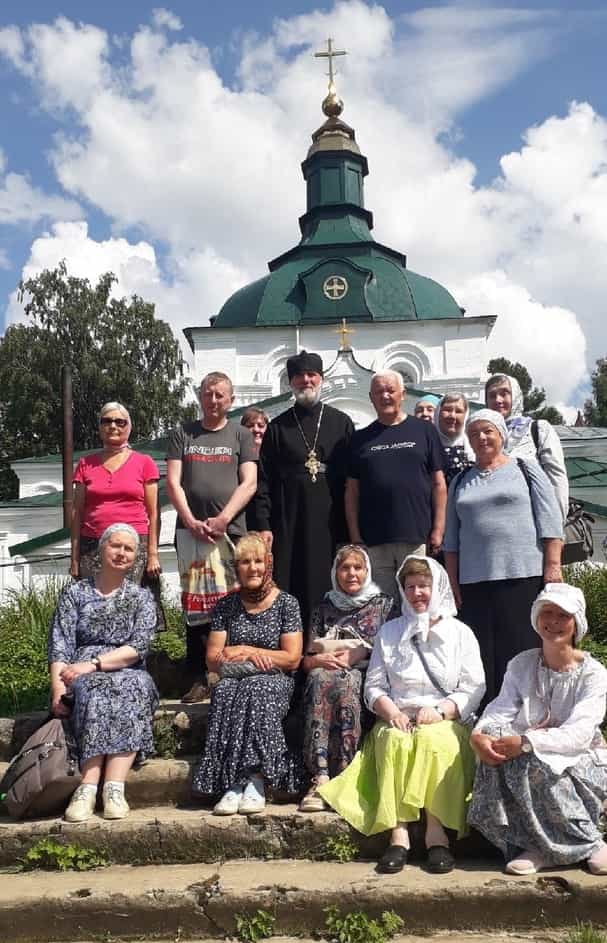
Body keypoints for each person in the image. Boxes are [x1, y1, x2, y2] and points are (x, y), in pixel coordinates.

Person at [319, 555, 485, 874]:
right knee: (394, 741)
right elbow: (375, 685)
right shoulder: (390, 632)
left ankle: (437, 834)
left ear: (437, 588)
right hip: (398, 716)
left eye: (423, 586)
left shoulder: (460, 633)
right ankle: (399, 833)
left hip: (445, 720)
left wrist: (440, 711)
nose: (417, 593)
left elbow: (474, 685)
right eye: (410, 587)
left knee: (433, 742)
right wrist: (391, 710)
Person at [469, 583, 607, 876]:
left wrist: (528, 741)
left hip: (581, 757)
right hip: (527, 748)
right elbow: (501, 708)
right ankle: (536, 845)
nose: (554, 621)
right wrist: (481, 735)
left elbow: (580, 733)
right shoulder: (521, 664)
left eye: (562, 615)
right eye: (547, 613)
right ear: (536, 618)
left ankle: (591, 844)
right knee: (493, 757)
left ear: (576, 622)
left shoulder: (593, 674)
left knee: (532, 760)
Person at [444, 409, 563, 704]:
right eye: (474, 434)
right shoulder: (459, 481)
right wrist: (452, 582)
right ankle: (488, 722)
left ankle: (528, 717)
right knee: (482, 655)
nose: (481, 438)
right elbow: (451, 539)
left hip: (522, 576)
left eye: (488, 431)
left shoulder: (525, 468)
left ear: (501, 435)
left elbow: (550, 521)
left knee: (523, 650)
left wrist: (553, 565)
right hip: (474, 582)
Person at [49, 524, 159, 823]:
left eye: (129, 549)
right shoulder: (75, 593)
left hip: (127, 667)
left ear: (136, 556)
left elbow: (138, 646)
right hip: (79, 671)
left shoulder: (141, 597)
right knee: (94, 690)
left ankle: (114, 787)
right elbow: (60, 644)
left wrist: (95, 663)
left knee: (131, 688)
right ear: (102, 548)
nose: (122, 553)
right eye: (116, 546)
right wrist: (58, 691)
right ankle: (87, 786)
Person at [191, 532, 305, 814]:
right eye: (244, 562)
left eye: (258, 561)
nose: (252, 568)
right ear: (236, 567)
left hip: (275, 681)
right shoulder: (226, 606)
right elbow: (214, 659)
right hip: (235, 680)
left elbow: (292, 658)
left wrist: (249, 651)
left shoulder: (286, 603)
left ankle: (256, 780)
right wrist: (240, 652)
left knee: (256, 687)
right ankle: (233, 783)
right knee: (227, 690)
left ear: (268, 564)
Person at [166, 372, 258, 703]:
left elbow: (249, 482)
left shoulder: (242, 435)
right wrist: (190, 521)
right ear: (200, 397)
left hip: (230, 531)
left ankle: (234, 669)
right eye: (208, 394)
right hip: (190, 532)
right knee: (196, 603)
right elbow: (174, 483)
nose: (213, 400)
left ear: (231, 400)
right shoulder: (182, 434)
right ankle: (199, 675)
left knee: (235, 601)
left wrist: (223, 518)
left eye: (220, 395)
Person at [249, 351, 354, 628]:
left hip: (330, 520)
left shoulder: (340, 422)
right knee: (288, 582)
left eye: (311, 375)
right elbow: (264, 480)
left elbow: (352, 478)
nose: (305, 380)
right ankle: (290, 653)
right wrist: (263, 523)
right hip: (288, 519)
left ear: (321, 379)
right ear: (291, 382)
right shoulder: (278, 427)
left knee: (328, 581)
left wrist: (351, 528)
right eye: (299, 376)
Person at [300, 545, 394, 812]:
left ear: (367, 571)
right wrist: (318, 660)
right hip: (324, 672)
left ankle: (345, 773)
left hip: (368, 674)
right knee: (320, 677)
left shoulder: (384, 605)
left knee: (348, 680)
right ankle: (320, 777)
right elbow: (306, 660)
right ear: (335, 572)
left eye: (358, 567)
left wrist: (362, 651)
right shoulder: (323, 608)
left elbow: (395, 649)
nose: (351, 573)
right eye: (345, 567)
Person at [345, 371, 447, 601]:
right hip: (374, 540)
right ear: (371, 398)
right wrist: (355, 535)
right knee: (380, 604)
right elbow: (352, 492)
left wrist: (438, 529)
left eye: (390, 390)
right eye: (379, 392)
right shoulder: (360, 439)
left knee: (417, 600)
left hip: (415, 536)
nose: (385, 396)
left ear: (403, 394)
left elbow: (438, 483)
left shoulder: (424, 431)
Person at [70, 403, 160, 582]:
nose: (113, 426)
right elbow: (77, 512)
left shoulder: (144, 463)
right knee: (93, 605)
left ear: (129, 427)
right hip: (92, 546)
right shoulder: (85, 464)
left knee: (131, 604)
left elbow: (154, 513)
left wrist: (152, 554)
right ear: (100, 427)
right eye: (107, 421)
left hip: (132, 546)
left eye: (120, 422)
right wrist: (74, 558)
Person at [485, 373, 568, 523]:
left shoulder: (538, 430)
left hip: (536, 523)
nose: (498, 400)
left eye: (504, 393)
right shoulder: (483, 438)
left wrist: (556, 527)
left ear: (515, 396)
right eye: (492, 396)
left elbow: (557, 479)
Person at [434, 393, 475, 486]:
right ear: (438, 413)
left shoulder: (475, 445)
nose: (452, 416)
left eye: (458, 411)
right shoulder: (427, 443)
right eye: (447, 410)